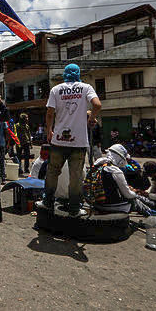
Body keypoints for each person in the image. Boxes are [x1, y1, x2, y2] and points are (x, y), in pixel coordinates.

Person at [45, 63, 102, 217]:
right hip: (78, 142)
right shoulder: (86, 88)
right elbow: (97, 104)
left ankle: (48, 202)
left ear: (65, 74)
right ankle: (74, 208)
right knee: (76, 177)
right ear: (78, 74)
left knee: (52, 173)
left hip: (58, 141)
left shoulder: (56, 89)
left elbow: (50, 113)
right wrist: (92, 117)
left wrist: (49, 130)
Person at [86, 144, 156, 219]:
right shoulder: (115, 170)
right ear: (120, 157)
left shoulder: (98, 164)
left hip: (95, 203)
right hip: (108, 206)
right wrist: (135, 193)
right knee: (134, 200)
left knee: (133, 195)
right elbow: (128, 195)